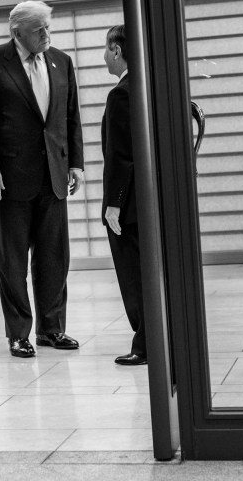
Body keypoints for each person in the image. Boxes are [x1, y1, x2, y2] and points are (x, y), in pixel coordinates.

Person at [0, 0, 84, 358]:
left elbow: (71, 117)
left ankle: (52, 329)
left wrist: (76, 164)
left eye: (48, 28)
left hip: (54, 174)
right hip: (9, 179)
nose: (47, 35)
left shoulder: (61, 61)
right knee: (14, 261)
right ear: (16, 32)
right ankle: (18, 333)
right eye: (40, 30)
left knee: (54, 257)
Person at [101, 24, 147, 366]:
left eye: (106, 49)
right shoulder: (150, 86)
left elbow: (120, 156)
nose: (104, 56)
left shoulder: (122, 93)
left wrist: (114, 204)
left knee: (134, 275)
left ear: (117, 51)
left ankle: (144, 343)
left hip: (130, 203)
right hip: (153, 198)